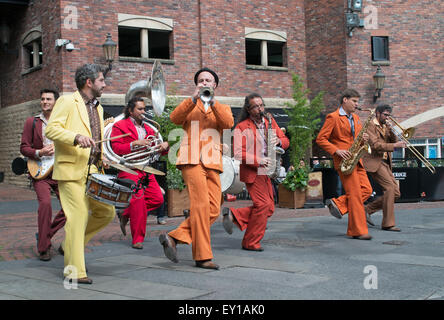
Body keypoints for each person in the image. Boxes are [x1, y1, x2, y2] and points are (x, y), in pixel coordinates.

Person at [45, 64, 115, 284]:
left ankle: (69, 246)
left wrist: (103, 155)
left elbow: (96, 137)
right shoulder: (67, 101)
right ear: (89, 82)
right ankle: (74, 271)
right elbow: (51, 129)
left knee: (107, 212)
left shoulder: (99, 108)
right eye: (102, 80)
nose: (104, 84)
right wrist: (75, 137)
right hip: (70, 170)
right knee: (78, 217)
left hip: (93, 170)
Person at [158, 67, 234, 270]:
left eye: (208, 80)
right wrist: (193, 99)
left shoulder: (223, 107)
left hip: (212, 160)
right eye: (201, 80)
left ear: (215, 85)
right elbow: (174, 119)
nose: (204, 83)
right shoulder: (189, 104)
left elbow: (227, 123)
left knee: (214, 208)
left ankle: (175, 237)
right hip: (191, 159)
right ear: (196, 84)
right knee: (200, 206)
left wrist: (213, 102)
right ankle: (202, 256)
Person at [222, 93, 289, 251]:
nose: (260, 109)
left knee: (269, 208)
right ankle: (251, 242)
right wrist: (259, 160)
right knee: (263, 205)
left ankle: (235, 216)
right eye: (256, 106)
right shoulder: (241, 127)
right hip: (253, 171)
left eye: (262, 105)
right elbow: (238, 153)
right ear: (248, 109)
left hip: (268, 171)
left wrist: (278, 141)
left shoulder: (269, 121)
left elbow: (285, 140)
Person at [110, 97, 169, 249]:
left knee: (158, 199)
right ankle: (138, 239)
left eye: (144, 108)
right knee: (138, 200)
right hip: (129, 169)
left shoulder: (149, 129)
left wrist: (164, 146)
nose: (144, 112)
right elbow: (116, 148)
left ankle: (125, 214)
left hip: (145, 168)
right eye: (140, 109)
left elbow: (157, 150)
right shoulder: (119, 125)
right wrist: (133, 144)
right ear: (130, 110)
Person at [316, 89, 373, 240]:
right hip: (344, 161)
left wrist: (364, 139)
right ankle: (358, 231)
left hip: (357, 159)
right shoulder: (333, 117)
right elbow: (321, 139)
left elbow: (358, 139)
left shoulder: (356, 118)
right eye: (354, 101)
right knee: (354, 195)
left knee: (367, 190)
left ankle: (338, 204)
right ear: (345, 100)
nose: (357, 104)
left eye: (357, 101)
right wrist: (336, 151)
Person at [20, 89, 66, 261]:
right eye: (43, 99)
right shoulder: (32, 122)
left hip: (61, 171)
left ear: (56, 102)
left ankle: (45, 236)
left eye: (49, 99)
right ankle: (44, 248)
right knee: (45, 204)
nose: (45, 102)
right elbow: (24, 147)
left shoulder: (63, 123)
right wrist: (40, 152)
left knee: (70, 209)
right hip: (40, 172)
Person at [362, 104, 405, 231]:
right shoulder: (370, 125)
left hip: (385, 162)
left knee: (396, 193)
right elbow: (375, 145)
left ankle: (366, 209)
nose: (387, 117)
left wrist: (391, 130)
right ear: (378, 113)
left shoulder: (385, 126)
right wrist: (395, 145)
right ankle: (388, 224)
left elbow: (392, 140)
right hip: (374, 161)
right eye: (385, 115)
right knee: (390, 188)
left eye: (389, 115)